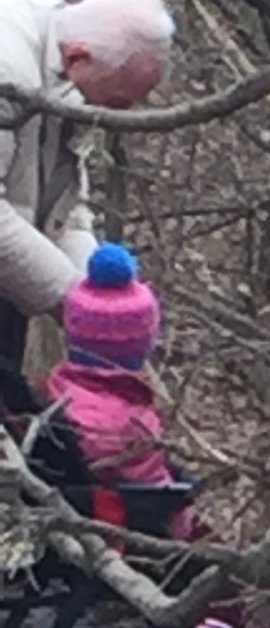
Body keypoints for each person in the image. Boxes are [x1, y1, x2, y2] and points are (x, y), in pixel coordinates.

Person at [46, 241, 241, 628]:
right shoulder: (123, 417)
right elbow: (151, 487)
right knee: (230, 580)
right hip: (129, 530)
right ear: (139, 343)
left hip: (102, 517)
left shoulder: (60, 391)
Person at [0, 0, 176, 369]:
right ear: (78, 58)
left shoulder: (68, 61)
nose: (119, 114)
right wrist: (76, 302)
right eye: (114, 101)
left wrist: (99, 293)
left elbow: (67, 202)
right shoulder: (8, 65)